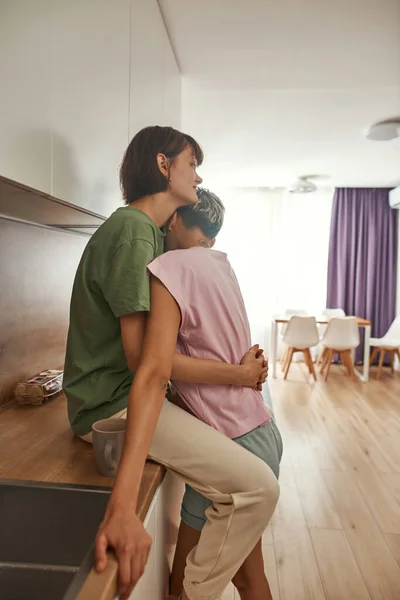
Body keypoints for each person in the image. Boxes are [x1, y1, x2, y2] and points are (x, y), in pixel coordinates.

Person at [63, 125, 280, 600]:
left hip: (125, 396)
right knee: (258, 488)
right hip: (111, 407)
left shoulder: (146, 235)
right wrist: (237, 375)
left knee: (245, 488)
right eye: (192, 164)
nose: (198, 177)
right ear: (163, 166)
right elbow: (146, 361)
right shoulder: (134, 231)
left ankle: (190, 587)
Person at [146, 189, 283, 600]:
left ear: (173, 220)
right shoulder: (222, 266)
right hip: (253, 430)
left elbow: (160, 361)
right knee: (186, 574)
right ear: (213, 236)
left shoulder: (170, 266)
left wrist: (241, 375)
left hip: (233, 440)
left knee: (240, 577)